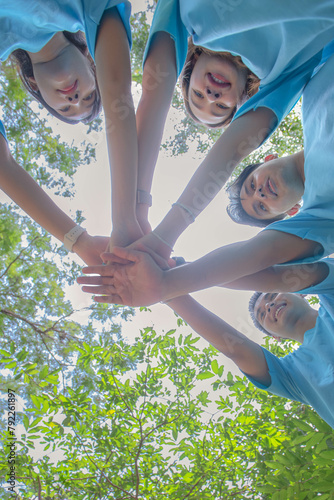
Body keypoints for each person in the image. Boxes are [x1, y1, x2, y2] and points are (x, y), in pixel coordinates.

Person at [130, 0, 334, 247]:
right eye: (222, 107)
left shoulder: (187, 17)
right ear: (244, 100)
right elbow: (233, 147)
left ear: (189, 68)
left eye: (197, 95)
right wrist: (165, 238)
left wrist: (136, 206)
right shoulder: (279, 78)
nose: (212, 97)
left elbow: (154, 96)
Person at [0, 1, 143, 262]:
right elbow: (117, 92)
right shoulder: (88, 9)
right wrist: (125, 219)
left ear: (35, 86)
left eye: (66, 108)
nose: (75, 99)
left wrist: (80, 241)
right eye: (89, 96)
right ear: (91, 60)